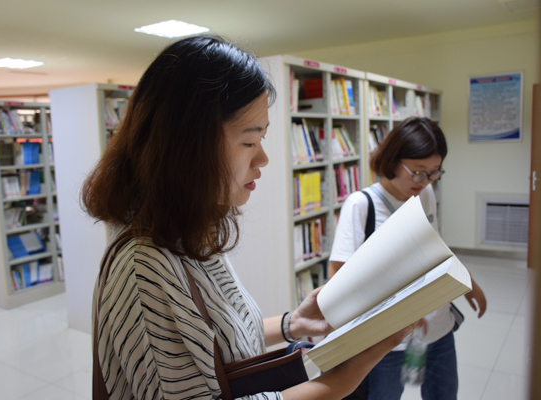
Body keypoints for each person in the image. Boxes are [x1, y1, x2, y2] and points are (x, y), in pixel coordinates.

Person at [82, 34, 416, 400]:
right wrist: (340, 379)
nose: (263, 159)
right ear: (187, 147)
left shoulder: (191, 234)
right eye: (248, 142)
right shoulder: (144, 268)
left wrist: (293, 323)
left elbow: (220, 338)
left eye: (262, 139)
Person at [328, 117, 487, 400]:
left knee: (445, 393)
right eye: (418, 172)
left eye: (434, 173)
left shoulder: (425, 193)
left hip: (438, 326)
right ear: (393, 160)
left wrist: (469, 284)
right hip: (387, 340)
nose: (425, 181)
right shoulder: (361, 205)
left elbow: (436, 247)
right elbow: (337, 280)